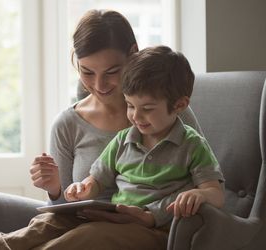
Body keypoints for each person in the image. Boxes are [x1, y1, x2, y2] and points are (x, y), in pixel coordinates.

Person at [0, 9, 204, 250]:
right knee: (49, 222)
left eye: (112, 72)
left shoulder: (168, 112)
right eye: (87, 72)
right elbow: (64, 206)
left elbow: (202, 185)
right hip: (86, 222)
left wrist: (152, 214)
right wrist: (55, 189)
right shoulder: (68, 125)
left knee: (92, 233)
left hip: (148, 228)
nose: (99, 85)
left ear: (133, 54)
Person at [64, 45, 225, 229]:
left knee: (84, 238)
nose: (136, 117)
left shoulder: (192, 145)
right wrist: (83, 189)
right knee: (46, 223)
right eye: (130, 106)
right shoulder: (122, 140)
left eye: (147, 109)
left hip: (150, 229)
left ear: (179, 105)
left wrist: (201, 195)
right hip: (112, 219)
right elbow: (97, 180)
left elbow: (216, 194)